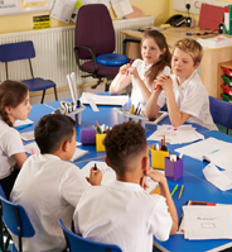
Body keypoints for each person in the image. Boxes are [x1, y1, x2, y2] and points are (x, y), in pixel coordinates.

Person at [73, 121, 178, 252]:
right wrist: (163, 183)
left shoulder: (89, 194)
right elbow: (173, 228)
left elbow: (77, 230)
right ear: (146, 162)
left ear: (107, 162)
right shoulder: (152, 205)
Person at [10, 114, 102, 252]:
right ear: (66, 145)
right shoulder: (67, 172)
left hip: (21, 242)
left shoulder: (31, 161)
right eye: (74, 139)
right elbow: (94, 208)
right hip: (49, 246)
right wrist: (95, 187)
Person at [144, 38, 217, 130]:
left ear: (196, 65)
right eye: (175, 59)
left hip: (204, 132)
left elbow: (176, 122)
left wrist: (169, 90)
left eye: (185, 61)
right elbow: (149, 114)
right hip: (184, 129)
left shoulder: (196, 87)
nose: (178, 64)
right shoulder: (171, 79)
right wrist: (156, 91)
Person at [109, 30, 171, 106]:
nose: (147, 52)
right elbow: (113, 90)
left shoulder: (164, 69)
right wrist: (120, 74)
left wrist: (137, 78)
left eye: (152, 48)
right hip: (134, 110)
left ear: (162, 51)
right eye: (144, 47)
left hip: (149, 113)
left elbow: (154, 105)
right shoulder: (137, 63)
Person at [0, 80, 31, 198]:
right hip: (4, 185)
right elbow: (26, 168)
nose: (30, 107)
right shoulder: (9, 134)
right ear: (9, 109)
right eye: (25, 103)